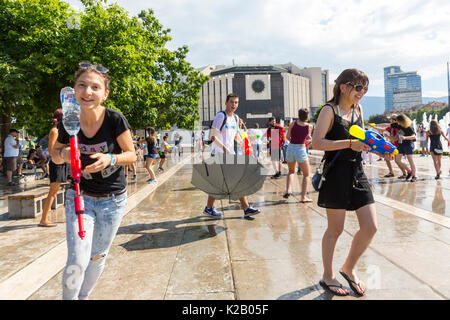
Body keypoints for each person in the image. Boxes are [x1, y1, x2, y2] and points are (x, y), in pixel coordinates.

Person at [51, 62, 136, 300]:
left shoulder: (114, 119)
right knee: (77, 258)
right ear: (74, 90)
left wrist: (110, 159)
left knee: (98, 256)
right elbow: (55, 156)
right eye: (82, 85)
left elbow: (131, 155)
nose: (88, 92)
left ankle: (83, 295)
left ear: (105, 93)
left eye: (95, 87)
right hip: (80, 198)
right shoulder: (70, 121)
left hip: (113, 200)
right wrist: (65, 154)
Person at [312, 68, 377, 296]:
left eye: (365, 88)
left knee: (370, 227)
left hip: (356, 171)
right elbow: (316, 143)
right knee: (335, 229)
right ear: (343, 87)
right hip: (336, 173)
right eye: (358, 87)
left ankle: (348, 268)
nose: (362, 92)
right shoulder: (329, 111)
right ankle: (328, 275)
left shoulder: (358, 109)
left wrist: (376, 147)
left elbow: (361, 139)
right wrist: (349, 143)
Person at [203, 93, 261, 218]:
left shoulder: (235, 118)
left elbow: (235, 136)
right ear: (226, 103)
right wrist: (224, 148)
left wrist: (244, 144)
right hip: (219, 154)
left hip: (230, 154)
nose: (234, 105)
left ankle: (210, 208)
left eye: (236, 102)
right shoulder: (220, 116)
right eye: (231, 102)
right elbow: (213, 136)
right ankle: (245, 208)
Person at [40, 109, 70, 227]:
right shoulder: (55, 131)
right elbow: (52, 151)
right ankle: (44, 219)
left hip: (64, 162)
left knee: (76, 185)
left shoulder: (61, 130)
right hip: (57, 164)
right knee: (53, 192)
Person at [284, 108, 312, 203]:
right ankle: (303, 197)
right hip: (300, 149)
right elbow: (307, 138)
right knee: (306, 174)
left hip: (291, 148)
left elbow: (287, 137)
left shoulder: (293, 123)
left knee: (291, 171)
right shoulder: (309, 126)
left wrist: (294, 139)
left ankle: (288, 190)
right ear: (307, 116)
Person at [396, 114, 417, 182]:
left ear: (402, 121)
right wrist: (375, 125)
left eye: (398, 121)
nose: (397, 122)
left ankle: (414, 176)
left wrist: (405, 138)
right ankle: (409, 171)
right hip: (401, 145)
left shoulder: (408, 127)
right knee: (397, 160)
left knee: (410, 160)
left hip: (408, 144)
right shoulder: (398, 125)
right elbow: (386, 124)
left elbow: (414, 136)